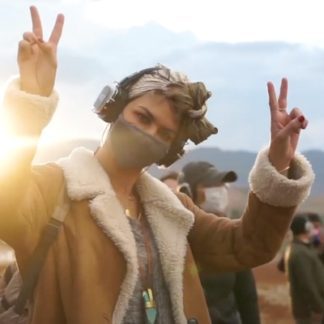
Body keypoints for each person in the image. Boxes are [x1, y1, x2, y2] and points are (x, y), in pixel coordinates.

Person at [0, 5, 315, 324]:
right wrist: (30, 102)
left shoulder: (175, 210)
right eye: (142, 117)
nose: (148, 134)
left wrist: (278, 163)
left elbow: (247, 245)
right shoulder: (53, 190)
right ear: (114, 108)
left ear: (170, 150)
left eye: (164, 133)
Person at [178, 161, 260, 324]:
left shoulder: (229, 235)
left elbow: (247, 296)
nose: (220, 190)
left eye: (222, 185)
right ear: (187, 191)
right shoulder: (172, 237)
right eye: (210, 185)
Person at [286, 214, 324, 324]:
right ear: (306, 227)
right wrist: (319, 308)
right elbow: (308, 285)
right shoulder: (300, 253)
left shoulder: (303, 249)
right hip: (310, 311)